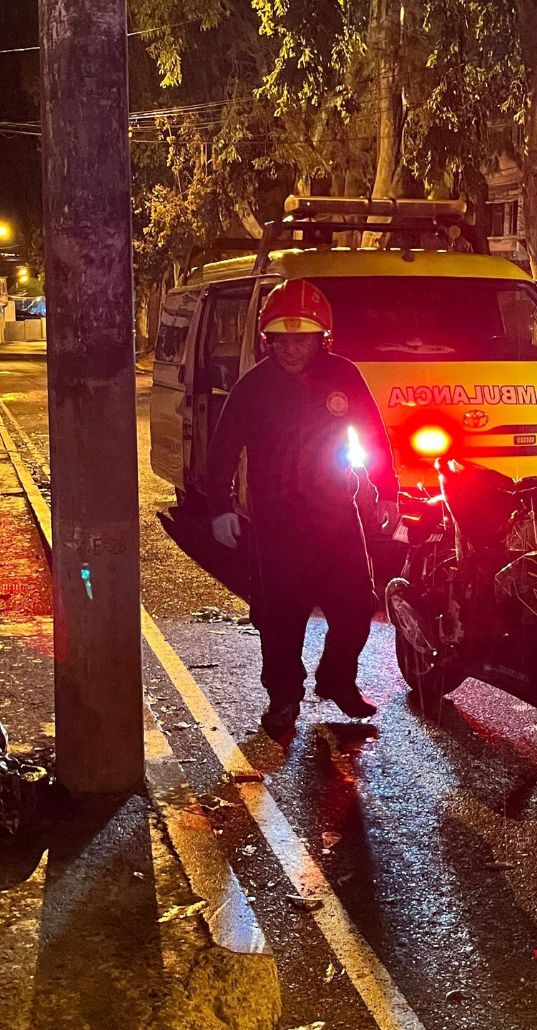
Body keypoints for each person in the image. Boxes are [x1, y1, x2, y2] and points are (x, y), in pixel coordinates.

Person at [207, 279, 399, 734]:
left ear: (321, 339)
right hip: (277, 526)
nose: (291, 348)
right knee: (279, 622)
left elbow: (372, 432)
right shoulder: (253, 388)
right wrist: (220, 507)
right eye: (282, 339)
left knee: (355, 610)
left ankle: (337, 681)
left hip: (338, 519)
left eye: (302, 338)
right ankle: (284, 697)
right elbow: (222, 451)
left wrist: (387, 488)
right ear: (267, 340)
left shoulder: (344, 376)